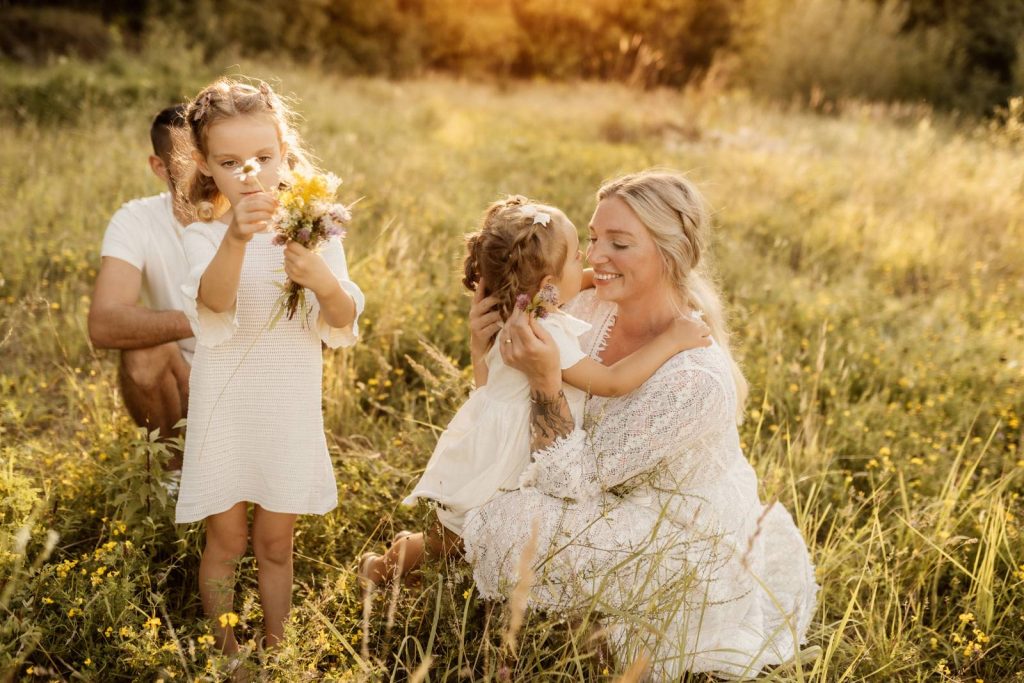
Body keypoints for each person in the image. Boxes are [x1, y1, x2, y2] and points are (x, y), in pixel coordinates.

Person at [461, 171, 819, 679]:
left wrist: (546, 383)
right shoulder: (586, 305)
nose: (593, 257)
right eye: (592, 237)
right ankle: (557, 620)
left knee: (509, 521)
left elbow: (571, 480)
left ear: (669, 254)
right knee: (486, 492)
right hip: (598, 490)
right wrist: (485, 351)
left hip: (673, 528)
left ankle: (586, 637)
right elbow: (503, 415)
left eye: (619, 243)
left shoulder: (694, 377)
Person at [359, 196, 711, 587]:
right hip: (507, 458)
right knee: (451, 541)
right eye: (580, 258)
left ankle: (406, 568)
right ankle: (379, 569)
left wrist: (591, 277)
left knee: (459, 540)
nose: (591, 264)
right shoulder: (550, 333)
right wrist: (672, 341)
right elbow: (610, 382)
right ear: (547, 287)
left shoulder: (519, 311)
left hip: (493, 442)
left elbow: (561, 286)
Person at [173, 78, 364, 654]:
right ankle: (229, 653)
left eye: (263, 157)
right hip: (226, 407)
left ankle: (277, 646)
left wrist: (322, 278)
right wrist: (236, 237)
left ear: (285, 150)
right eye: (231, 162)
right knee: (227, 539)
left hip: (286, 406)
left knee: (277, 543)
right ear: (206, 166)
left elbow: (344, 319)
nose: (250, 173)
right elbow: (213, 304)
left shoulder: (313, 227)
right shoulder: (205, 231)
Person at [88, 105, 194, 459]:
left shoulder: (252, 217)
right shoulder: (136, 219)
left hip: (248, 370)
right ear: (159, 167)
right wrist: (201, 319)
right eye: (188, 157)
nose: (204, 165)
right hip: (182, 375)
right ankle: (174, 471)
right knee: (143, 350)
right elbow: (104, 323)